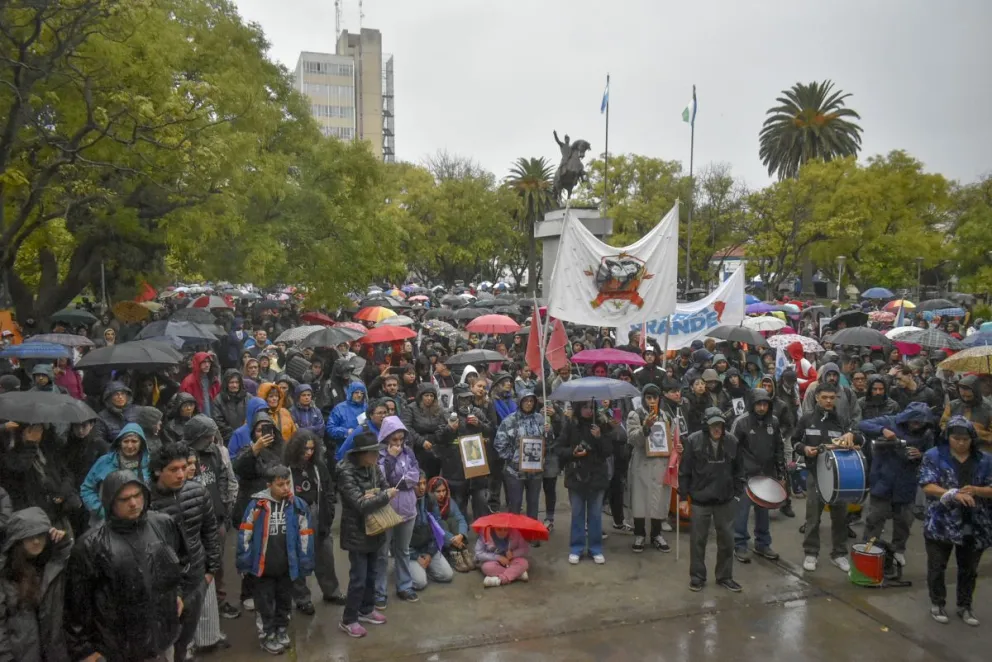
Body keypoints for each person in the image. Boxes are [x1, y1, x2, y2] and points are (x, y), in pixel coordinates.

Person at [66, 469, 191, 662]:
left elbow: (181, 562)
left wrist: (180, 593)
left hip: (163, 637)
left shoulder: (163, 524)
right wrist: (84, 651)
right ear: (110, 502)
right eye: (124, 499)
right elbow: (76, 605)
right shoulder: (91, 545)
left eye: (137, 496)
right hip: (118, 648)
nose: (133, 504)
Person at [148, 442, 221, 662]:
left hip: (197, 578)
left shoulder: (198, 492)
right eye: (173, 469)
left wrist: (211, 571)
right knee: (164, 642)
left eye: (183, 467)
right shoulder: (146, 501)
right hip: (164, 587)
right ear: (158, 471)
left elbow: (210, 532)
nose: (181, 474)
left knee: (186, 638)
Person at [919, 416, 991, 626]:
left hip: (975, 522)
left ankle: (965, 605)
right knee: (937, 565)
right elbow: (927, 484)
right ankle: (937, 602)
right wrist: (952, 493)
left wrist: (977, 490)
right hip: (940, 522)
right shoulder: (934, 456)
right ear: (948, 437)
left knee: (969, 568)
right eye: (956, 438)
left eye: (965, 439)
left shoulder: (985, 460)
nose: (960, 443)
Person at [237, 465, 315, 654]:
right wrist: (244, 561)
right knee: (264, 604)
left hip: (287, 567)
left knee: (284, 601)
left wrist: (305, 561)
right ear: (269, 485)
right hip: (263, 568)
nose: (286, 488)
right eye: (280, 484)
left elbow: (306, 535)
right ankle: (267, 635)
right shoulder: (257, 505)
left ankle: (281, 629)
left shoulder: (298, 505)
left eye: (288, 483)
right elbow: (245, 533)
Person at [857, 401, 935, 566]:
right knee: (875, 519)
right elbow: (862, 424)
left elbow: (931, 454)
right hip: (883, 480)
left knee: (904, 521)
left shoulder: (927, 433)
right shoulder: (890, 421)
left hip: (906, 483)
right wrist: (882, 430)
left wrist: (920, 455)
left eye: (920, 422)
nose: (916, 425)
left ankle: (898, 550)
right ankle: (868, 548)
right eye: (914, 421)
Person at [335, 432, 397, 639]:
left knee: (372, 574)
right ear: (362, 454)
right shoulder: (346, 473)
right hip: (356, 532)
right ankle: (349, 618)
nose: (376, 457)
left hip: (376, 529)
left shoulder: (374, 468)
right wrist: (381, 496)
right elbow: (360, 504)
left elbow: (384, 488)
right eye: (373, 453)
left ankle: (367, 609)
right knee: (358, 577)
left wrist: (377, 495)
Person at [795, 383, 861, 573]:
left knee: (840, 518)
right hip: (815, 475)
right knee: (813, 517)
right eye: (825, 397)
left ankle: (839, 554)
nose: (829, 401)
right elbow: (795, 441)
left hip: (838, 478)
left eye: (832, 398)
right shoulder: (806, 419)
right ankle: (811, 552)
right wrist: (805, 449)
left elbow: (857, 439)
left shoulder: (841, 421)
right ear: (817, 397)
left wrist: (851, 438)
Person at [679, 407, 745, 592]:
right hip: (700, 499)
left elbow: (739, 470)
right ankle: (697, 576)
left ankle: (725, 576)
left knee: (727, 540)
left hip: (725, 499)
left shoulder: (732, 441)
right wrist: (683, 497)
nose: (717, 429)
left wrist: (738, 494)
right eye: (713, 425)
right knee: (698, 540)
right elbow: (684, 472)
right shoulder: (693, 441)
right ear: (706, 426)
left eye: (720, 425)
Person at [183, 414, 241, 620]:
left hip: (216, 519)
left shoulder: (216, 452)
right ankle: (197, 611)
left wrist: (227, 508)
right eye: (207, 436)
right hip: (190, 523)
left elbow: (224, 479)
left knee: (217, 564)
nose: (211, 439)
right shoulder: (182, 456)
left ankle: (220, 602)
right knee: (195, 568)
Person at [282, 430, 344, 614]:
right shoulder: (286, 468)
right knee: (298, 559)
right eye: (305, 449)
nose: (309, 453)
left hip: (317, 513)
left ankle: (331, 592)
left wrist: (329, 513)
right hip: (296, 516)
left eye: (311, 449)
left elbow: (329, 490)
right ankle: (302, 599)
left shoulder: (318, 466)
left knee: (325, 556)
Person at [0, 507, 71, 662]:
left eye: (41, 535)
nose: (37, 541)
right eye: (30, 537)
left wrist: (63, 544)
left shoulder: (53, 566)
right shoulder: (6, 575)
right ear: (18, 540)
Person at [730, 389, 786, 562]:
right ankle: (739, 545)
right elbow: (730, 449)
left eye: (765, 404)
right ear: (752, 404)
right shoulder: (741, 422)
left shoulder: (774, 422)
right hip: (745, 476)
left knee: (763, 512)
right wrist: (732, 475)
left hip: (766, 475)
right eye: (758, 404)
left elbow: (779, 449)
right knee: (742, 513)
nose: (762, 407)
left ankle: (762, 544)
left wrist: (781, 473)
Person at [556, 400, 613, 565]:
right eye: (585, 407)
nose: (588, 410)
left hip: (597, 476)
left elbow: (608, 451)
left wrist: (600, 437)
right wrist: (572, 453)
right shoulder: (570, 426)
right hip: (576, 476)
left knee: (595, 515)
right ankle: (576, 548)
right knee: (578, 513)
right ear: (578, 408)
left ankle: (595, 548)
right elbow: (558, 448)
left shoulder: (601, 425)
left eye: (591, 407)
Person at [374, 416, 422, 607]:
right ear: (386, 438)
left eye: (401, 439)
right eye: (394, 440)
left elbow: (414, 476)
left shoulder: (409, 452)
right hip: (387, 511)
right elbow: (384, 480)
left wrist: (400, 480)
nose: (398, 443)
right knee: (382, 553)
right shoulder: (380, 457)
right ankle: (379, 591)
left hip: (408, 510)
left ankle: (405, 586)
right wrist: (393, 461)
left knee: (403, 550)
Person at [626, 382, 678, 553]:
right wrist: (645, 427)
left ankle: (656, 534)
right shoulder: (636, 414)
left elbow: (670, 438)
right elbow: (632, 439)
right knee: (639, 499)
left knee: (659, 499)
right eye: (648, 397)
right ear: (643, 398)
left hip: (660, 463)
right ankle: (639, 533)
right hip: (642, 462)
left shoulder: (665, 416)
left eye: (654, 397)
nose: (651, 400)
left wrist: (676, 448)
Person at [494, 390, 554, 523]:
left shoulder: (540, 419)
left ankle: (532, 533)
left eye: (531, 401)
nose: (528, 403)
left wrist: (549, 432)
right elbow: (499, 443)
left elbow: (549, 444)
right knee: (515, 504)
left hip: (535, 471)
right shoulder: (510, 420)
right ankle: (515, 536)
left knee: (533, 504)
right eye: (525, 400)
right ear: (520, 402)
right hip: (515, 472)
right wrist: (514, 457)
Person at [435, 384, 491, 523]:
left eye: (468, 399)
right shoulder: (447, 414)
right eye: (462, 399)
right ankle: (461, 535)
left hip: (476, 465)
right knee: (459, 504)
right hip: (455, 467)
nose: (465, 403)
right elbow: (438, 438)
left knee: (480, 502)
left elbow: (490, 430)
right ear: (456, 399)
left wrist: (479, 424)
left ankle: (483, 535)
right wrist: (449, 428)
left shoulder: (477, 412)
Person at [80, 423, 151, 522]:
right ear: (119, 443)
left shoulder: (148, 464)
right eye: (126, 441)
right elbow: (86, 489)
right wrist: (101, 510)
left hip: (139, 522)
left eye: (134, 441)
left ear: (141, 443)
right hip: (105, 523)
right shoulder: (105, 462)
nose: (130, 446)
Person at [407, 472, 455, 590]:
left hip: (427, 546)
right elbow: (397, 540)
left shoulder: (430, 499)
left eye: (424, 483)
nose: (422, 487)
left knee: (447, 575)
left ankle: (424, 569)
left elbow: (436, 529)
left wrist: (429, 553)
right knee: (420, 583)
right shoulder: (403, 503)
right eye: (418, 484)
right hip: (410, 551)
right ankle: (404, 569)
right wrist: (416, 556)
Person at [426, 476, 473, 572]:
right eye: (438, 491)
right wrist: (453, 540)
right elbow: (436, 526)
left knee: (454, 520)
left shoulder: (449, 501)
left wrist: (461, 535)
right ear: (431, 491)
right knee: (442, 523)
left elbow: (460, 518)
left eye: (444, 490)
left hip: (454, 536)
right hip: (437, 538)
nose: (442, 494)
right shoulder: (429, 504)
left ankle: (463, 551)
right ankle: (453, 554)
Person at [941, 374, 992, 451]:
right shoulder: (952, 405)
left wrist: (974, 432)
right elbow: (943, 423)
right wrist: (953, 428)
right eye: (962, 396)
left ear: (977, 393)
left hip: (981, 450)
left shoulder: (988, 407)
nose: (965, 399)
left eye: (969, 396)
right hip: (957, 448)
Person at [327, 381, 369, 456]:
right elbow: (330, 428)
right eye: (356, 392)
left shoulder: (366, 408)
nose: (359, 395)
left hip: (363, 449)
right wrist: (346, 432)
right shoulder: (339, 408)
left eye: (362, 393)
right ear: (351, 393)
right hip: (345, 449)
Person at [180, 352, 221, 418]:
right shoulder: (188, 382)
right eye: (204, 362)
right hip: (197, 419)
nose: (207, 365)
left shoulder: (213, 379)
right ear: (197, 363)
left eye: (209, 362)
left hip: (213, 418)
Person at [211, 369, 247, 445]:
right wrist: (234, 435)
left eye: (237, 382)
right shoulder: (218, 400)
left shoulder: (248, 398)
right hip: (227, 440)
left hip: (246, 438)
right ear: (226, 384)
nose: (234, 385)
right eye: (231, 382)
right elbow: (218, 421)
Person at [94, 381, 137, 445]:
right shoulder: (102, 417)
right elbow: (98, 439)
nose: (120, 397)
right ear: (109, 397)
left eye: (122, 393)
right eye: (116, 394)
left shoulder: (136, 410)